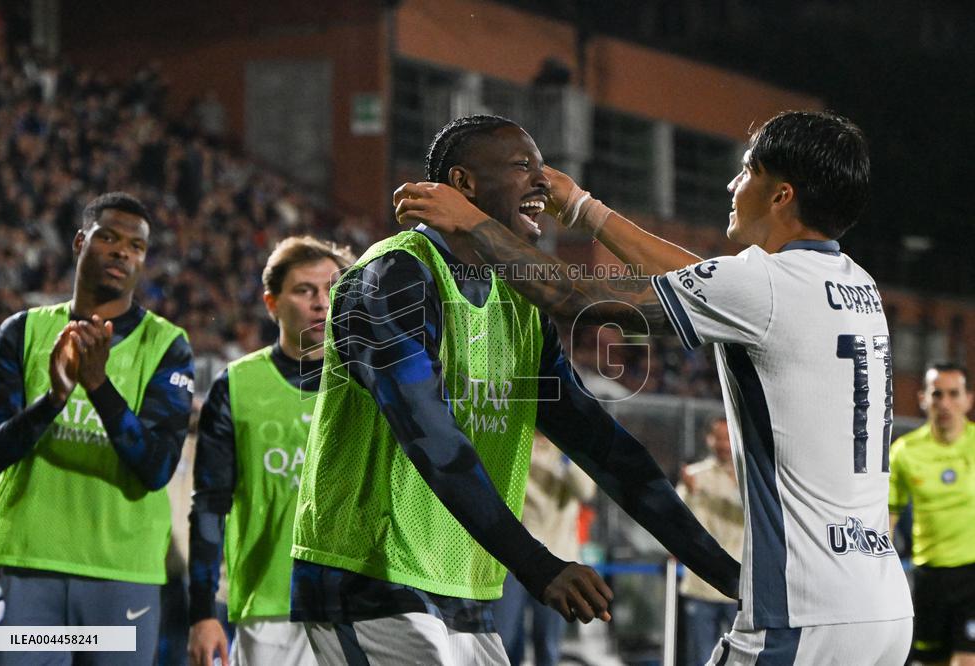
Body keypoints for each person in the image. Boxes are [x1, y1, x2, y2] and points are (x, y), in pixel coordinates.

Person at [397, 110, 914, 665]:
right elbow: (708, 282)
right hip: (882, 604)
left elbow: (579, 300)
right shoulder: (854, 284)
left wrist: (474, 223)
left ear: (781, 195)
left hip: (805, 612)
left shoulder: (761, 287)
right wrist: (583, 209)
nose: (733, 185)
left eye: (746, 172)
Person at [291, 114, 740, 665]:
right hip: (369, 581)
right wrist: (539, 564)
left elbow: (603, 446)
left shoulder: (518, 301)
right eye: (523, 165)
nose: (543, 182)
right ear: (464, 185)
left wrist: (729, 574)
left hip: (465, 586)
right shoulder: (393, 277)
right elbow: (431, 439)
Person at [0, 192, 194, 665]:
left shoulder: (167, 345)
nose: (122, 252)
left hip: (121, 576)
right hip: (30, 567)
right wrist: (53, 400)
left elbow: (157, 467)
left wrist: (97, 386)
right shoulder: (22, 331)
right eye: (109, 238)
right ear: (80, 242)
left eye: (135, 246)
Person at [187, 235, 353, 666]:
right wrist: (202, 613)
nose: (321, 302)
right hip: (270, 606)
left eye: (332, 290)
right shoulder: (237, 385)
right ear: (271, 303)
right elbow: (208, 505)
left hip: (361, 607)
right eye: (305, 290)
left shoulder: (370, 384)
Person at [889, 362, 975, 666]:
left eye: (954, 394)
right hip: (929, 576)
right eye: (937, 394)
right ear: (923, 398)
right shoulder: (905, 452)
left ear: (968, 399)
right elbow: (889, 515)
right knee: (928, 662)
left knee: (967, 659)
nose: (945, 403)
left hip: (972, 574)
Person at [493, 431, 596, 666]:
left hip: (558, 561)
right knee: (504, 641)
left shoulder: (569, 448)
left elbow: (586, 490)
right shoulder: (517, 441)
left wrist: (563, 459)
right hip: (515, 559)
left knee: (547, 643)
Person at [677, 416, 743, 666]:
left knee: (744, 659)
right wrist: (691, 492)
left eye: (728, 437)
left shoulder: (750, 475)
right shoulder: (694, 476)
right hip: (701, 586)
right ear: (709, 439)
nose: (724, 444)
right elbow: (677, 517)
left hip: (741, 587)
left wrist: (709, 493)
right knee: (700, 659)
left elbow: (748, 514)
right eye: (719, 437)